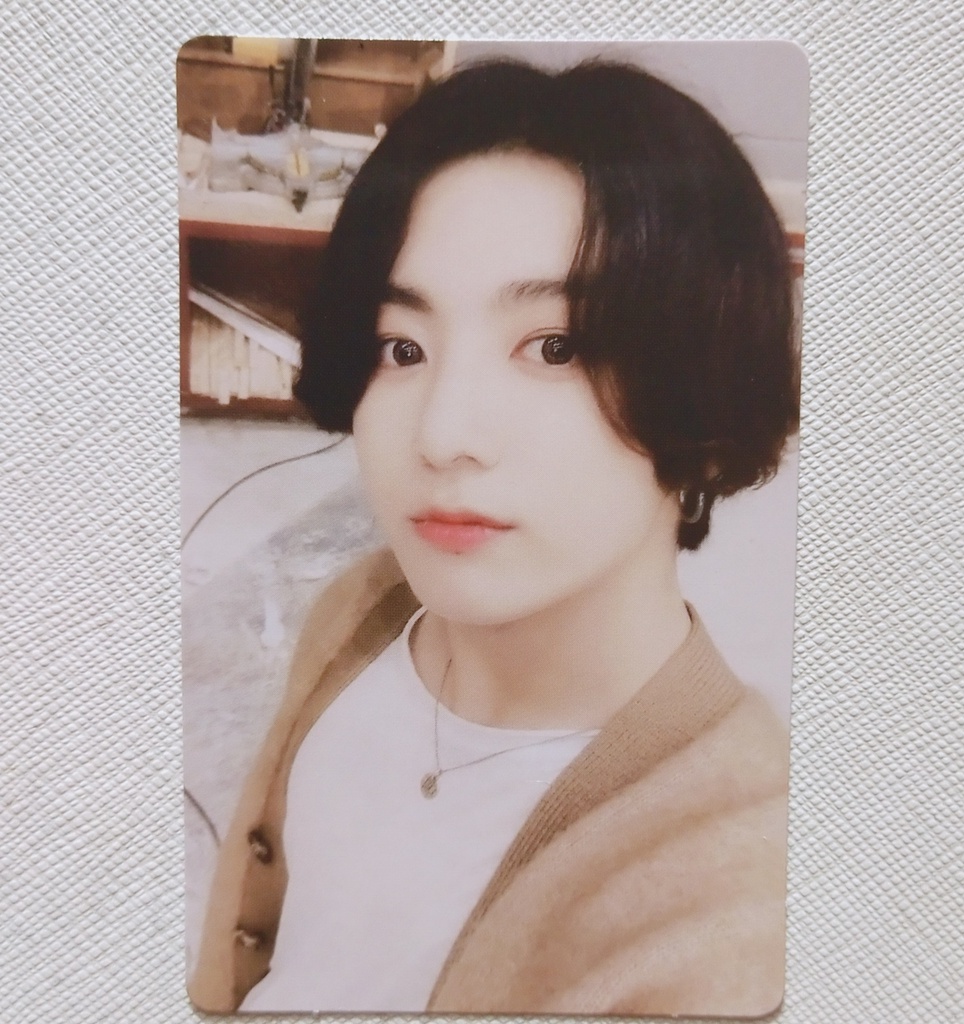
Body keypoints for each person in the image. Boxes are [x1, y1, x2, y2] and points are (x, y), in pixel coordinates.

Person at [188, 57, 799, 1018]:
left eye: (555, 347)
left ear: (705, 377)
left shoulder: (741, 899)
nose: (442, 436)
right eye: (402, 348)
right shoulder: (365, 611)